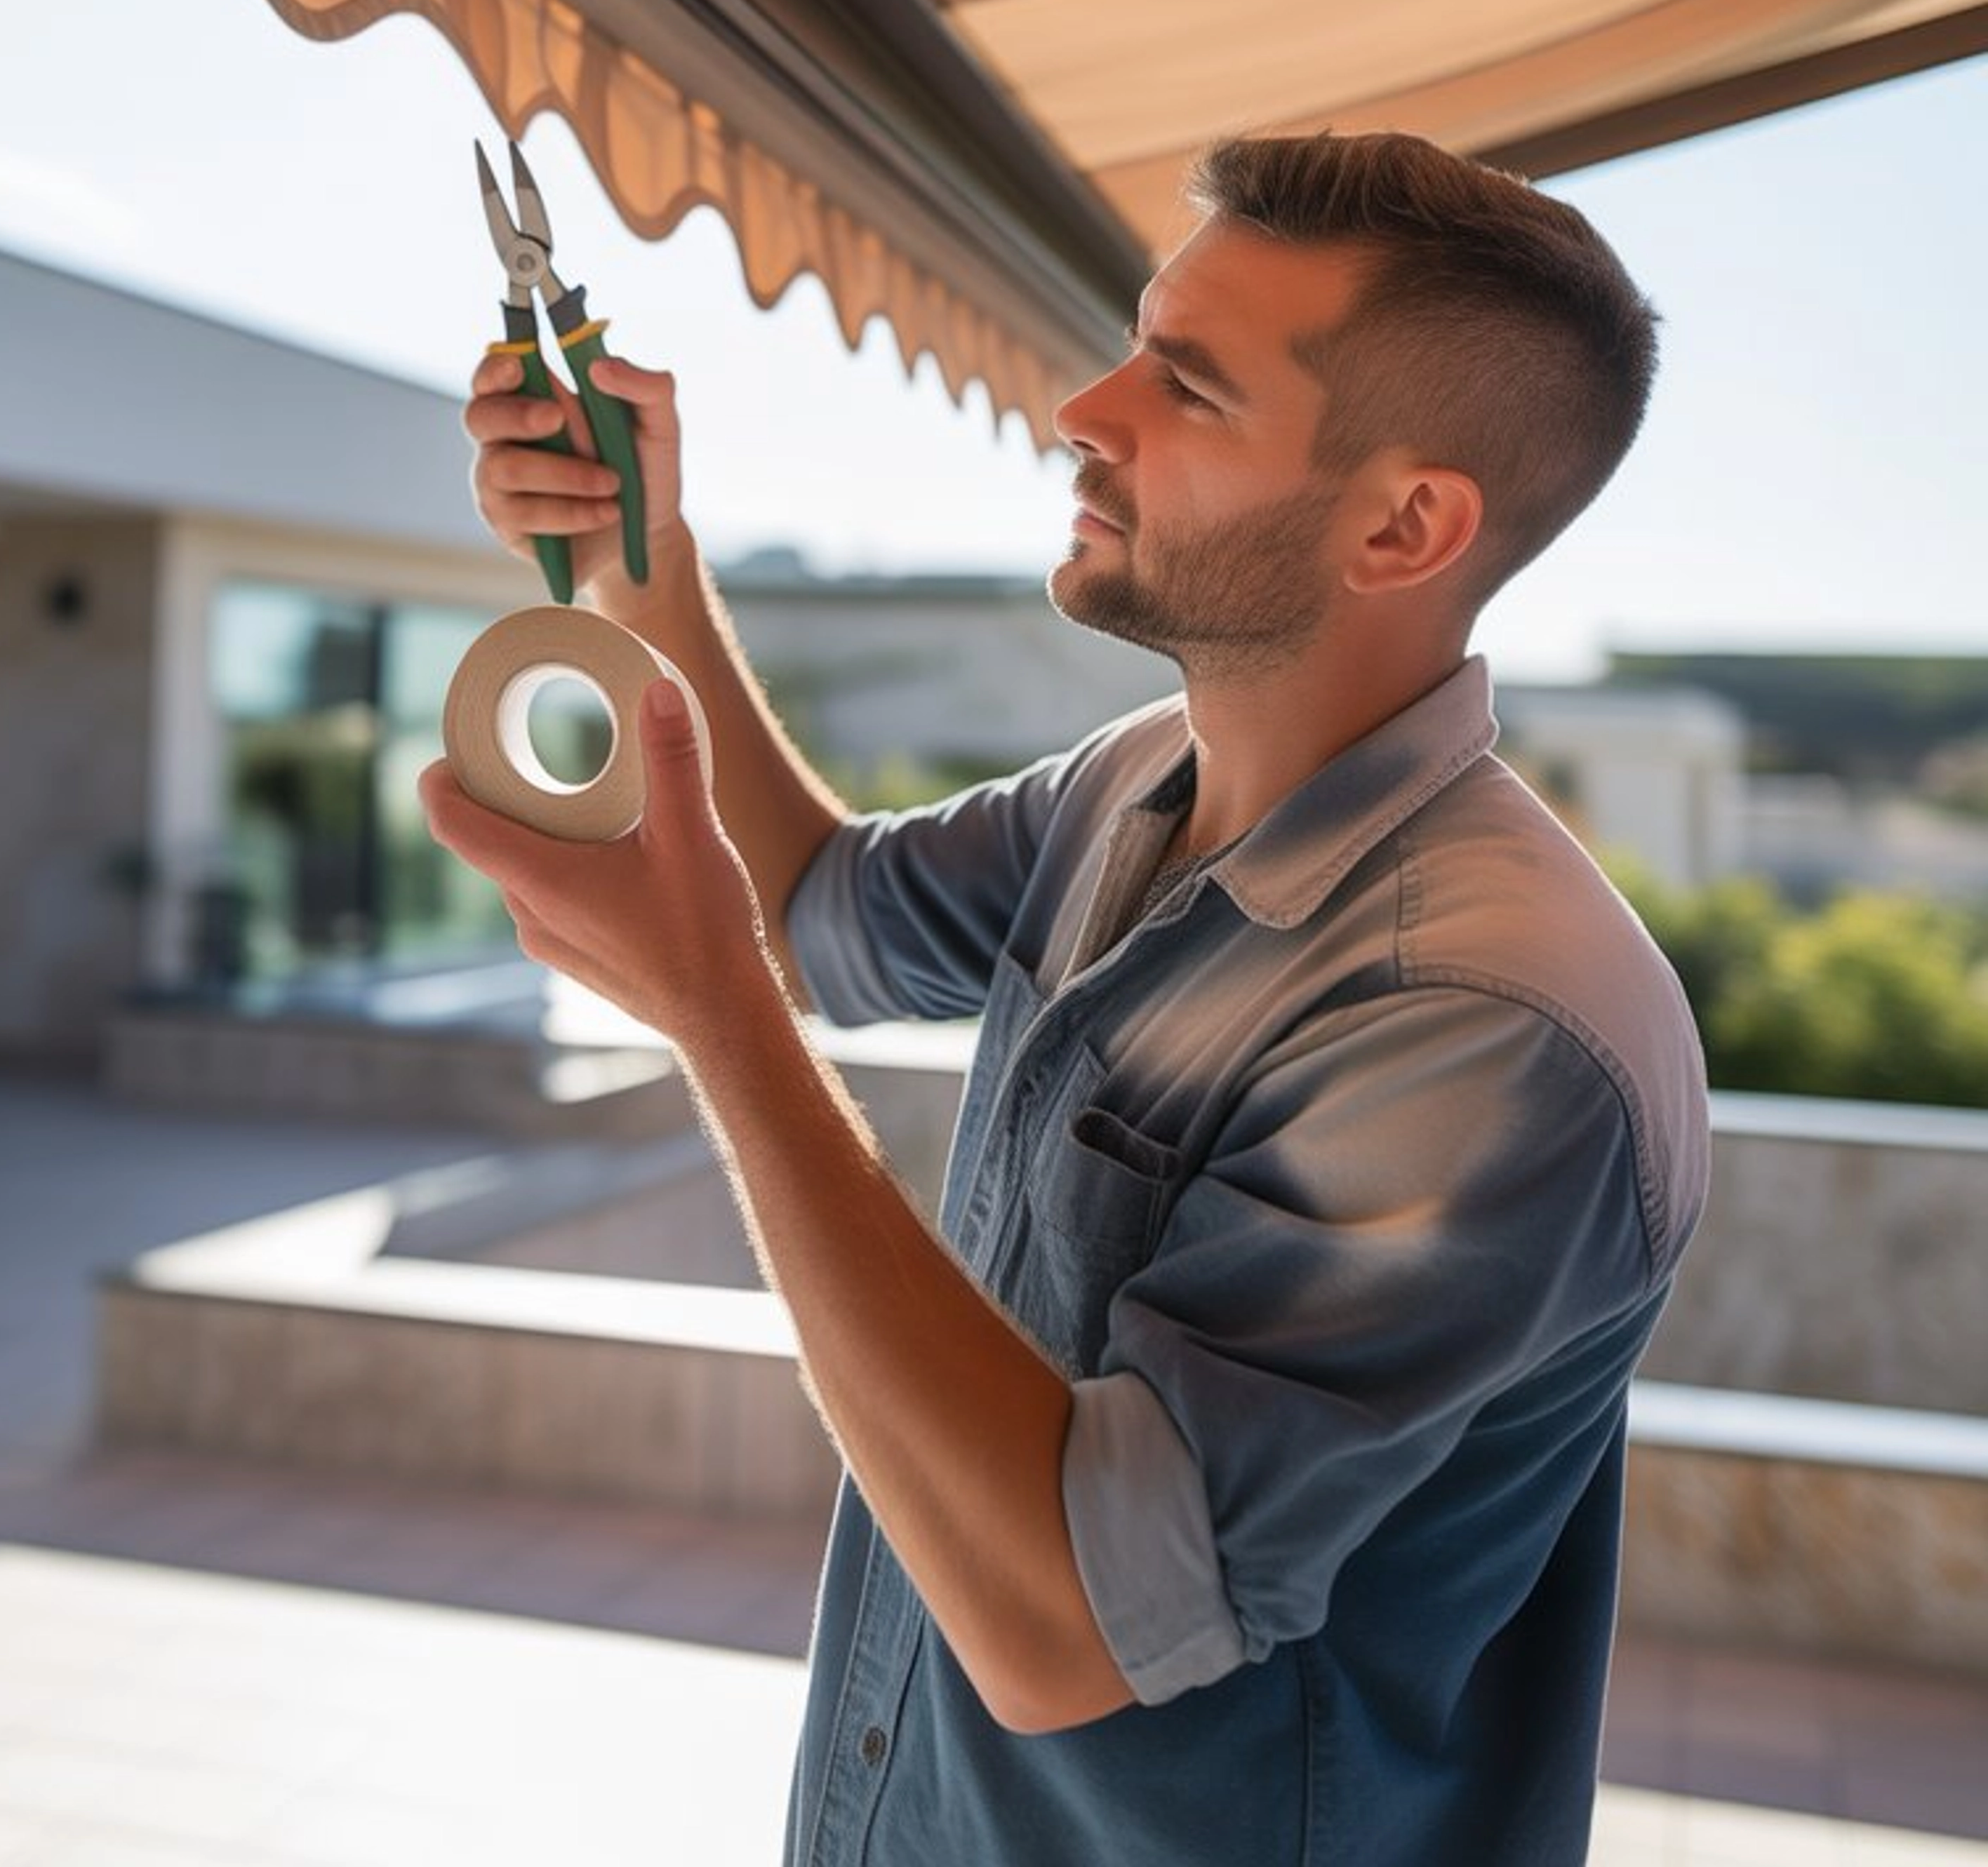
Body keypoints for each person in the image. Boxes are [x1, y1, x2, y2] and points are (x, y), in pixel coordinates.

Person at [420, 130, 1710, 1867]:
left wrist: (721, 1021)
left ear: (1407, 523)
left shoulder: (1488, 1020)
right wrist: (636, 553)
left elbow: (1073, 1625)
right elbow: (809, 913)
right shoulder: (1135, 783)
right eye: (1132, 347)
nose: (1084, 411)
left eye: (1187, 384)